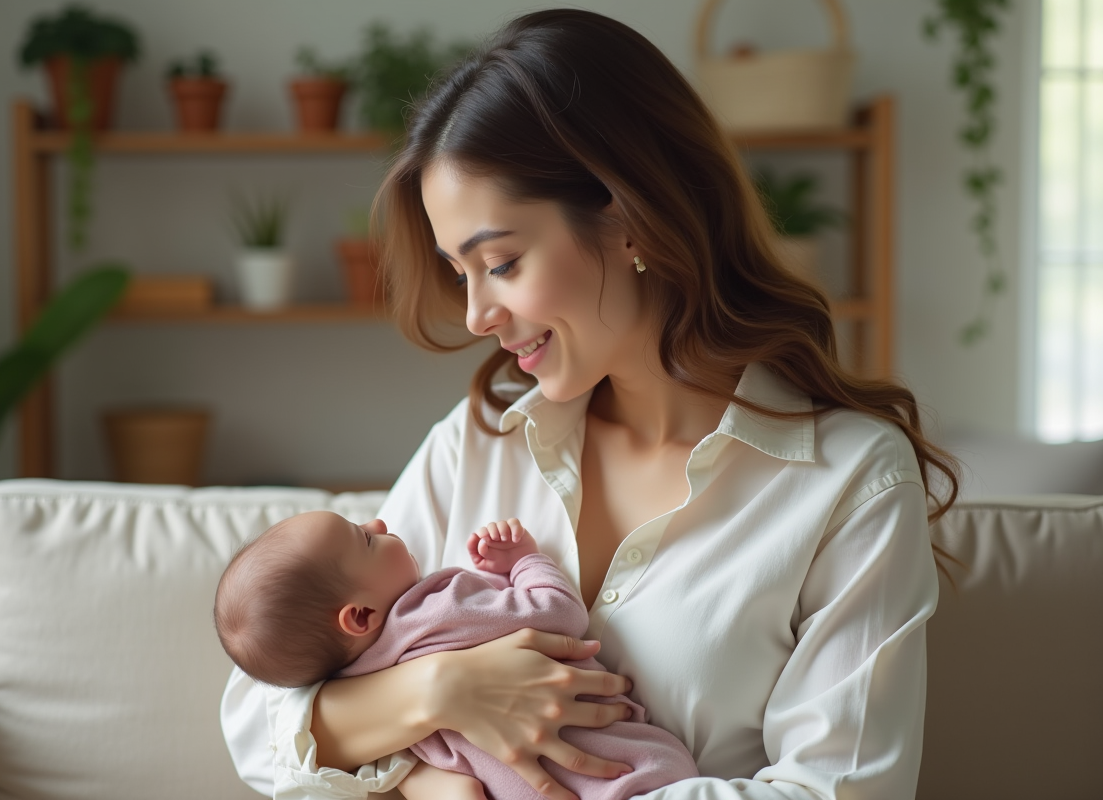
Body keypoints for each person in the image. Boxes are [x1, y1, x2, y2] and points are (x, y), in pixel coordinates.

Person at [221, 9, 959, 800]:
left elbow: (839, 790)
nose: (475, 315)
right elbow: (261, 716)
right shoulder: (478, 444)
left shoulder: (848, 481)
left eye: (500, 262)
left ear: (629, 219)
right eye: (459, 272)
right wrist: (440, 698)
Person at [214, 512, 699, 799]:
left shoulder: (354, 682)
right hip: (625, 774)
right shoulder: (440, 606)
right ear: (358, 616)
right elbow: (560, 614)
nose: (379, 520)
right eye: (364, 537)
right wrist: (526, 562)